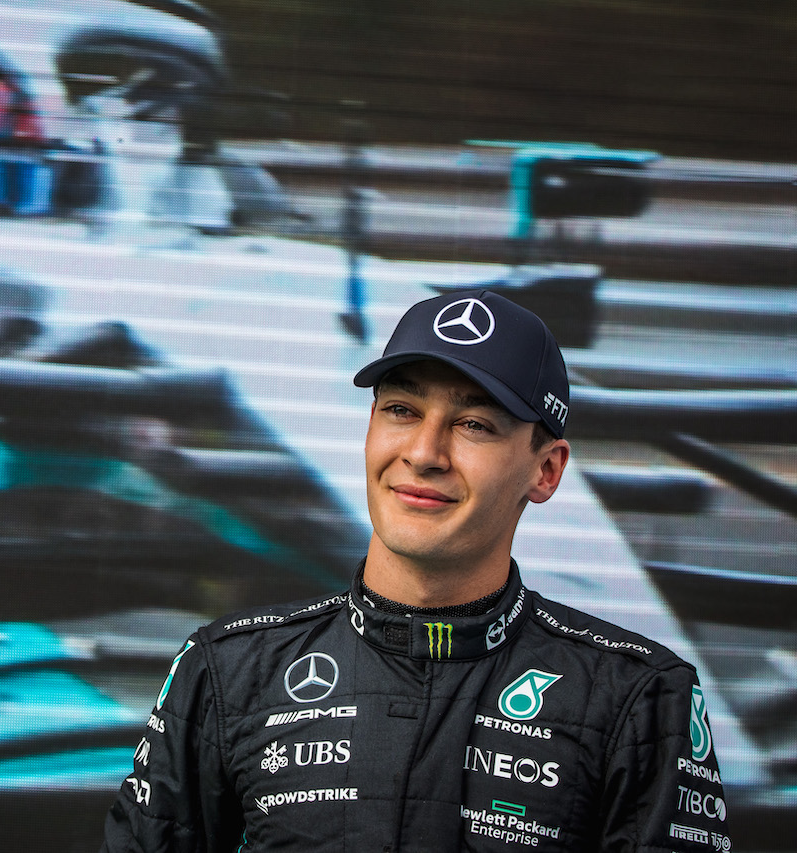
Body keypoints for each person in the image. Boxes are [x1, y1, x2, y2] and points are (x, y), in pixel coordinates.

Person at [100, 290, 731, 852]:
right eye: (401, 410)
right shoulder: (227, 669)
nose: (424, 454)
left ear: (546, 471)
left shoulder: (640, 698)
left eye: (475, 424)